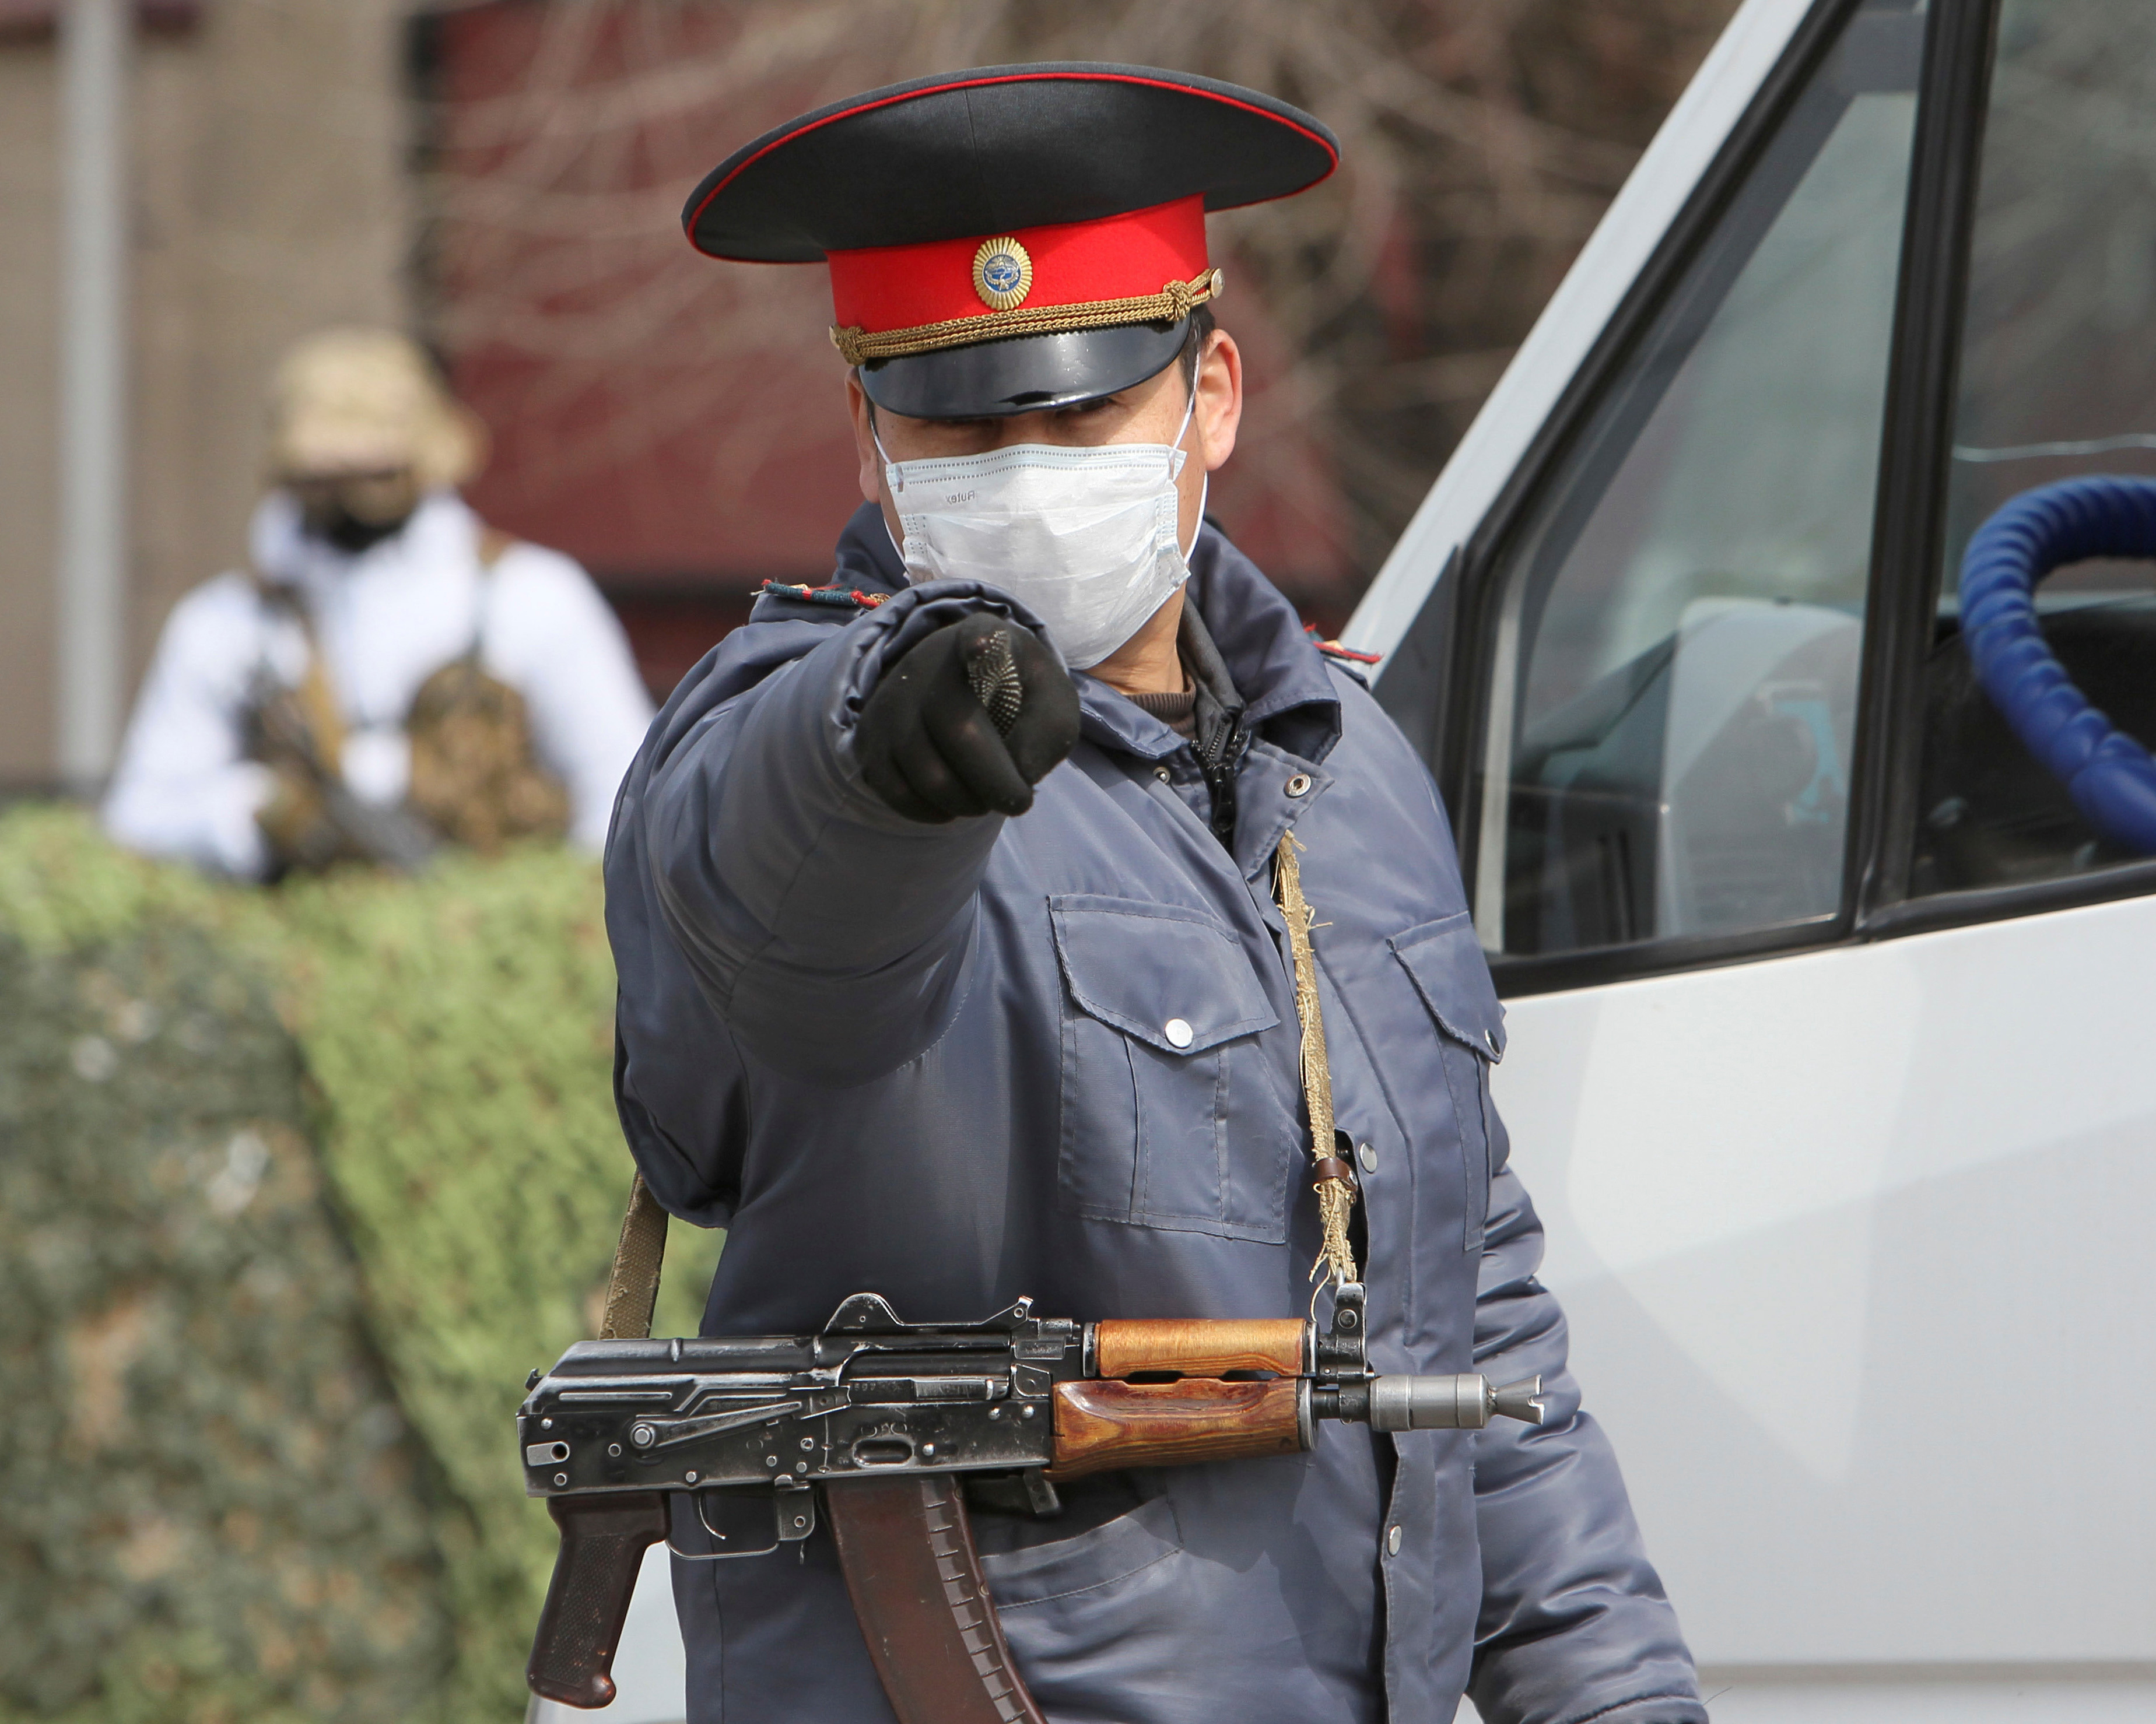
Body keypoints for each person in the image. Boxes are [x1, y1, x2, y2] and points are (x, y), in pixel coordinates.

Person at [607, 66, 1705, 1724]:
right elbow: (772, 916)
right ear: (871, 439)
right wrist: (879, 752)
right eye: (962, 424)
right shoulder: (804, 732)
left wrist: (1617, 1699)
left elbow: (1466, 1318)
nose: (1024, 466)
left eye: (1080, 412)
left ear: (1212, 396)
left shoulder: (1349, 762)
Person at [104, 327, 654, 879]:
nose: (350, 498)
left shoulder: (532, 598)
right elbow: (139, 821)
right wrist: (256, 814)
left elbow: (625, 797)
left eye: (376, 474)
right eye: (323, 476)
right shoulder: (227, 625)